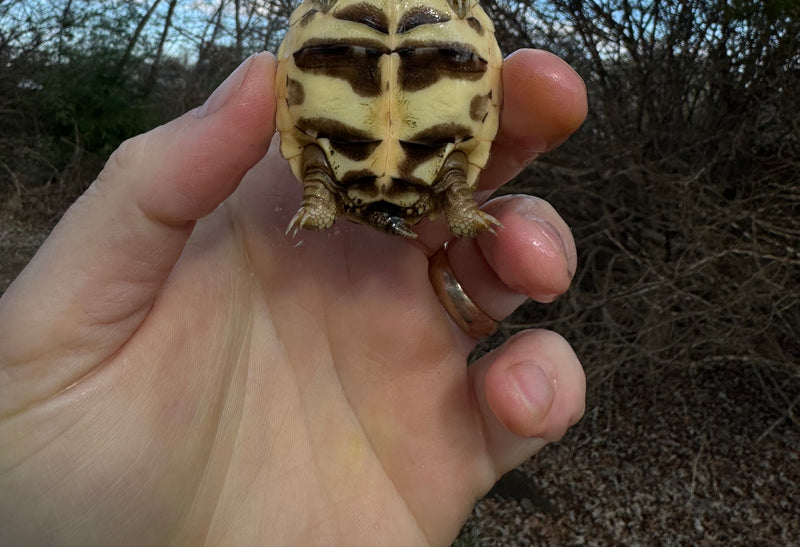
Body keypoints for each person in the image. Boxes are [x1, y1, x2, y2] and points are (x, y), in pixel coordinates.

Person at [0, 48, 587, 547]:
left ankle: (357, 192)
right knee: (456, 183)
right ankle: (435, 195)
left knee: (434, 185)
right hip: (424, 149)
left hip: (347, 138)